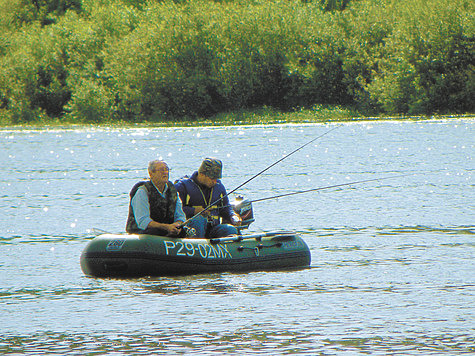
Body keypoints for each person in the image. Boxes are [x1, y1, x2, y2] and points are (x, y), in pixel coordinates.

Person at [175, 157, 241, 238]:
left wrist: (233, 215)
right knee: (199, 220)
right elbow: (175, 210)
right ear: (201, 174)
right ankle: (197, 246)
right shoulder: (182, 186)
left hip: (213, 228)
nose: (215, 181)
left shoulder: (219, 187)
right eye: (212, 178)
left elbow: (226, 207)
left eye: (217, 179)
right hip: (190, 230)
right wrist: (194, 211)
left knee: (230, 229)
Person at [126, 160, 186, 236]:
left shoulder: (173, 191)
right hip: (143, 233)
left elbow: (180, 216)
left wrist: (177, 225)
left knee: (183, 231)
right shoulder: (142, 191)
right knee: (154, 232)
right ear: (151, 174)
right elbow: (143, 221)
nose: (165, 172)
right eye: (161, 170)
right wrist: (166, 227)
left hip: (167, 230)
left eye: (166, 169)